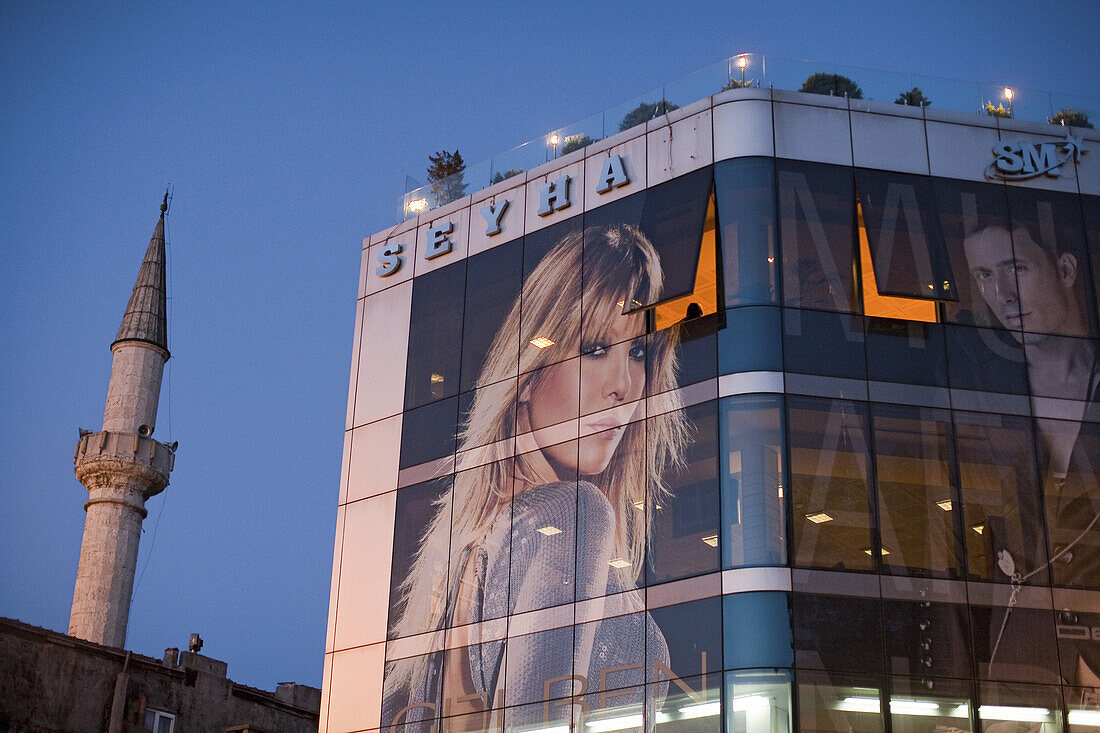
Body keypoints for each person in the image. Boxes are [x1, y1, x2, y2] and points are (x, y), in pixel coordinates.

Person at [382, 224, 690, 731]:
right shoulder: (573, 515)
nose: (624, 385)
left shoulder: (463, 551)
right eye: (594, 349)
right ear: (528, 372)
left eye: (638, 352)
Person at [962, 220, 1100, 683]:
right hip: (1025, 659)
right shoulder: (984, 394)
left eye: (1016, 268)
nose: (1001, 294)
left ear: (1065, 269)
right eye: (983, 275)